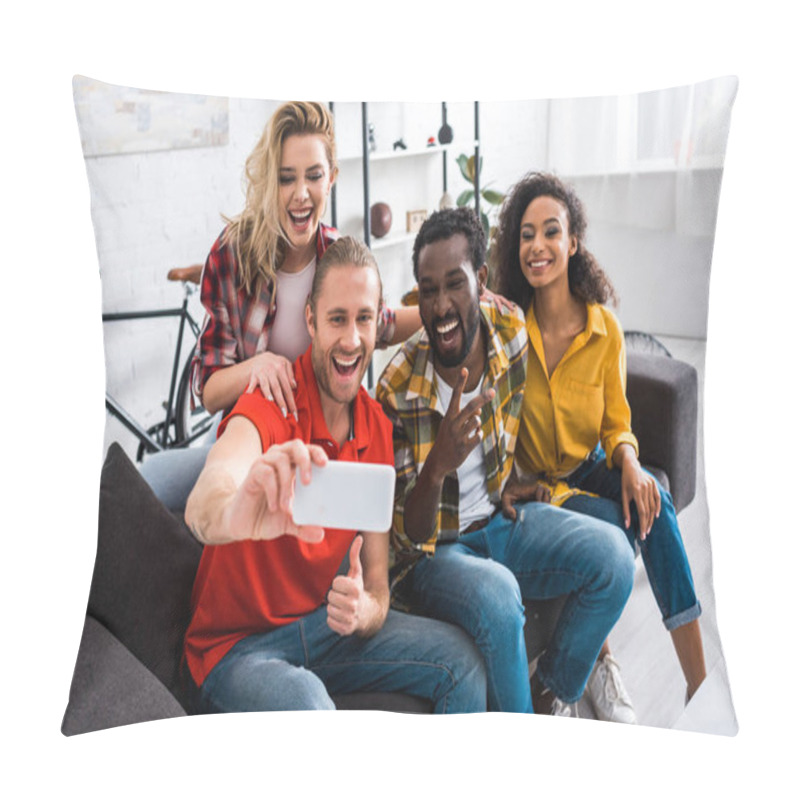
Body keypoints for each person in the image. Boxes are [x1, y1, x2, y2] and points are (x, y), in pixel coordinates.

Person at [182, 236, 487, 713]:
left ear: (378, 323)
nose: (350, 340)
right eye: (337, 319)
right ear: (311, 320)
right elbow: (206, 498)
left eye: (363, 319)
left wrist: (364, 611)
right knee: (310, 706)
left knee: (463, 663)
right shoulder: (271, 398)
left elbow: (379, 587)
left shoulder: (376, 430)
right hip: (237, 650)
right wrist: (232, 516)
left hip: (323, 630)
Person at [376, 207, 635, 717]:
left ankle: (550, 695)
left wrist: (517, 477)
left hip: (500, 522)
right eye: (428, 290)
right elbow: (407, 535)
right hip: (434, 557)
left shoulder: (512, 335)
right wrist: (439, 466)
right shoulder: (399, 389)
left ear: (483, 282)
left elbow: (536, 417)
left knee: (615, 559)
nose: (442, 305)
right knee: (498, 596)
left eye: (455, 284)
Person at [492, 171, 707, 723]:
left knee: (652, 502)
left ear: (573, 241)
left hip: (588, 467)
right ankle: (576, 673)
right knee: (615, 531)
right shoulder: (509, 328)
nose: (537, 246)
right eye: (526, 235)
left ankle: (699, 686)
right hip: (542, 489)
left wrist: (632, 464)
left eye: (551, 232)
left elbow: (616, 424)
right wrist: (504, 479)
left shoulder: (604, 329)